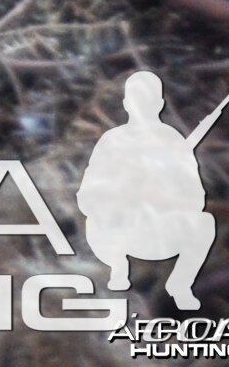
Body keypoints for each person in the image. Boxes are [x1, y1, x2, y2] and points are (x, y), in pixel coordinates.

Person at [79, 68, 218, 306]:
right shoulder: (112, 141)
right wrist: (122, 193)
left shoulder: (173, 140)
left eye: (148, 100)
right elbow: (87, 195)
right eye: (136, 99)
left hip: (161, 231)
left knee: (205, 224)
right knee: (94, 222)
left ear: (159, 103)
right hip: (119, 230)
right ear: (126, 103)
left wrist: (168, 193)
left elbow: (197, 198)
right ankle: (118, 271)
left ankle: (180, 285)